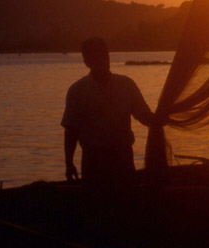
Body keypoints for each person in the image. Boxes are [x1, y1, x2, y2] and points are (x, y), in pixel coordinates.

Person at [62, 37, 155, 194]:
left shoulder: (126, 85)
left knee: (125, 204)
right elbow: (71, 130)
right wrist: (69, 162)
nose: (103, 60)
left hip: (123, 159)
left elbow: (144, 115)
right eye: (96, 56)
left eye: (105, 55)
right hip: (94, 162)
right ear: (87, 62)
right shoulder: (77, 91)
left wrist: (161, 118)